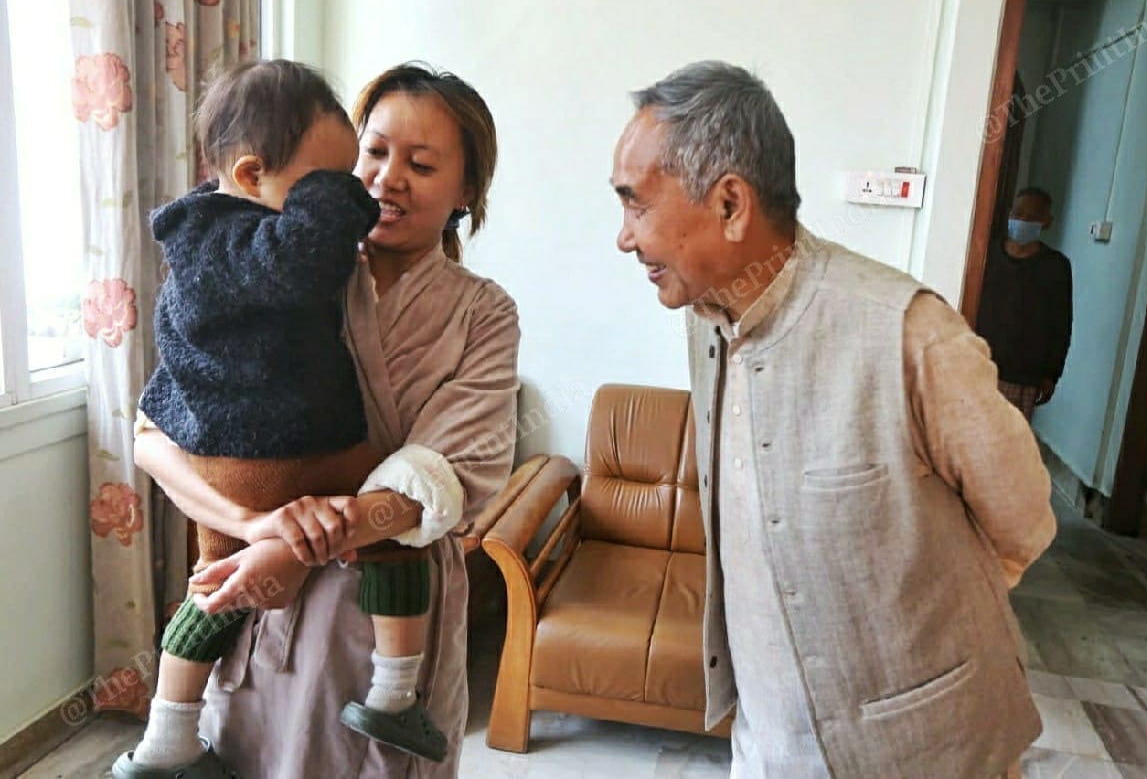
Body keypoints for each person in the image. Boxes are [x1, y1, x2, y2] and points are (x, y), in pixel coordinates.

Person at [610, 61, 1055, 778]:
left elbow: (1024, 519)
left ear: (730, 204)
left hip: (921, 753)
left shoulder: (907, 335)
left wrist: (906, 632)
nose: (625, 239)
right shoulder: (704, 315)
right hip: (767, 741)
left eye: (635, 205)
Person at [127, 62, 519, 778]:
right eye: (373, 153)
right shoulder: (278, 268)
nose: (386, 178)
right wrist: (254, 530)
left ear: (467, 190)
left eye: (422, 163)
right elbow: (155, 438)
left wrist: (298, 546)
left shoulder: (482, 313)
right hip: (250, 596)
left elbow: (455, 471)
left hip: (382, 624)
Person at [975, 187, 1073, 421]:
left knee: (1008, 445)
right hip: (978, 365)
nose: (1022, 221)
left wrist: (1052, 374)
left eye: (1031, 218)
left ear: (1046, 222)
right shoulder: (985, 255)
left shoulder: (1055, 267)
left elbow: (1061, 324)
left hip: (1023, 378)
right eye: (1018, 214)